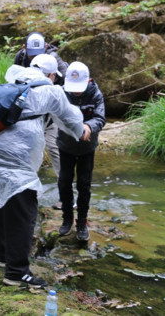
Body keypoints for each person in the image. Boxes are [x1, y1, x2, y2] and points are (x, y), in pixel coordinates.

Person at [0, 65, 84, 289]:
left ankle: (3, 257)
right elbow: (71, 121)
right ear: (51, 75)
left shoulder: (12, 87)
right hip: (14, 159)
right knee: (24, 212)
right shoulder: (51, 91)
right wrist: (84, 132)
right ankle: (16, 272)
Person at [58, 61, 106, 242]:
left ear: (88, 80)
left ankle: (81, 222)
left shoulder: (95, 94)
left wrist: (89, 127)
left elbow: (100, 118)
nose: (76, 91)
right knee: (64, 182)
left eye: (79, 87)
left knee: (84, 185)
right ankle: (67, 217)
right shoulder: (62, 92)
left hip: (87, 148)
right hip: (65, 146)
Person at [30, 53, 65, 180]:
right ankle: (66, 193)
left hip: (44, 122)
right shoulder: (51, 91)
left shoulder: (18, 81)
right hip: (32, 127)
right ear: (51, 75)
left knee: (53, 147)